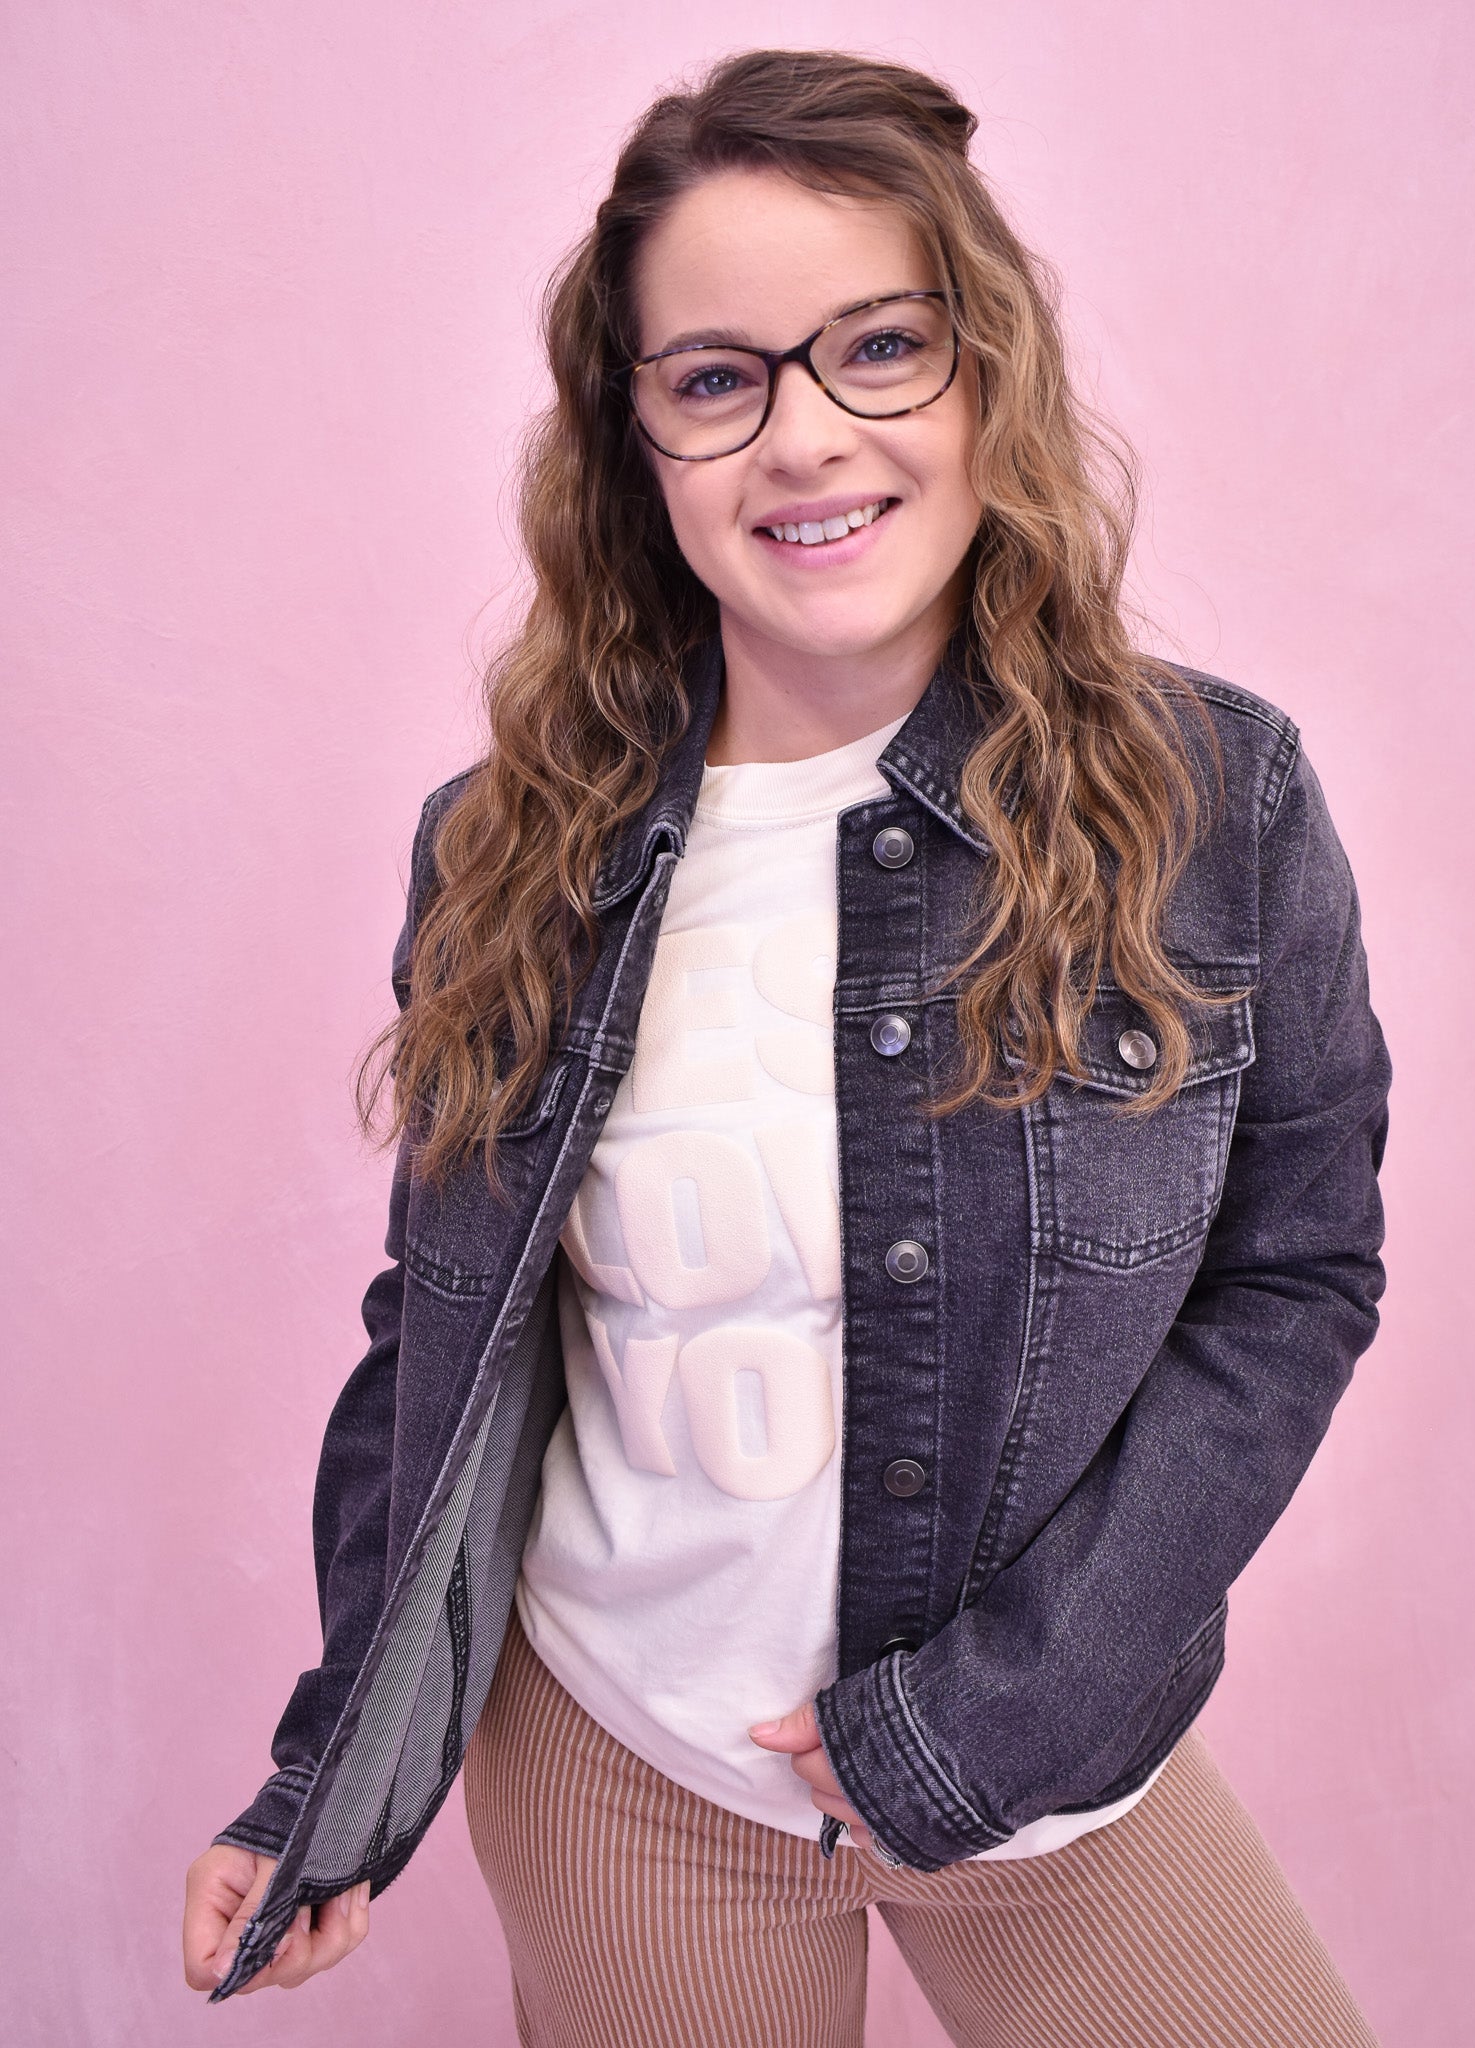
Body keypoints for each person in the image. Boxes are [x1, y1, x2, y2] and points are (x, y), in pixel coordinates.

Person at [182, 48, 1390, 2047]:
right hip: (618, 1761)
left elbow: (1294, 1282)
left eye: (878, 348)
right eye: (719, 377)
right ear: (639, 443)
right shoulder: (507, 851)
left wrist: (981, 1719)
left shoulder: (1216, 802)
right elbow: (449, 1338)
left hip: (1054, 1762)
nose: (805, 440)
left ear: (979, 373)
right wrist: (336, 1769)